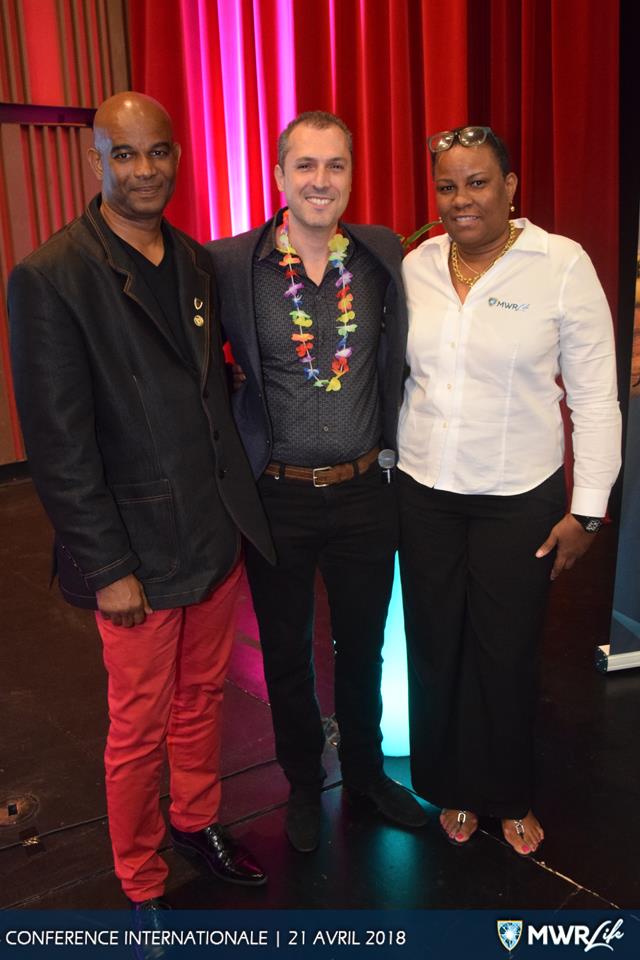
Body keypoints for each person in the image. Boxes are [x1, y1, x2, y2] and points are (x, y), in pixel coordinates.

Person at [8, 92, 275, 914]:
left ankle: (195, 821)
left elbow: (204, 393)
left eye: (157, 151)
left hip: (211, 533)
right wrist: (108, 567)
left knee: (203, 699)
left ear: (177, 157)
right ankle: (140, 873)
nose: (144, 170)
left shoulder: (194, 261)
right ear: (96, 160)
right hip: (135, 555)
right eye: (123, 154)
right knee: (138, 725)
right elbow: (59, 445)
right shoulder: (52, 277)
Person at [397, 125, 621, 855]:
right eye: (447, 186)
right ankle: (452, 786)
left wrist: (588, 511)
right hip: (424, 489)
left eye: (478, 182)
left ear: (511, 186)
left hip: (518, 495)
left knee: (506, 650)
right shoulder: (417, 265)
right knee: (436, 646)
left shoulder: (560, 264)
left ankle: (509, 792)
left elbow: (595, 397)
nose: (461, 199)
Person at [207, 111, 426, 853]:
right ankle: (304, 783)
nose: (321, 180)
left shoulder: (380, 254)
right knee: (286, 652)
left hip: (366, 489)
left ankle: (364, 774)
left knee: (363, 650)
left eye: (336, 165)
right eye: (305, 165)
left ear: (351, 176)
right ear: (279, 175)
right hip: (278, 495)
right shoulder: (231, 265)